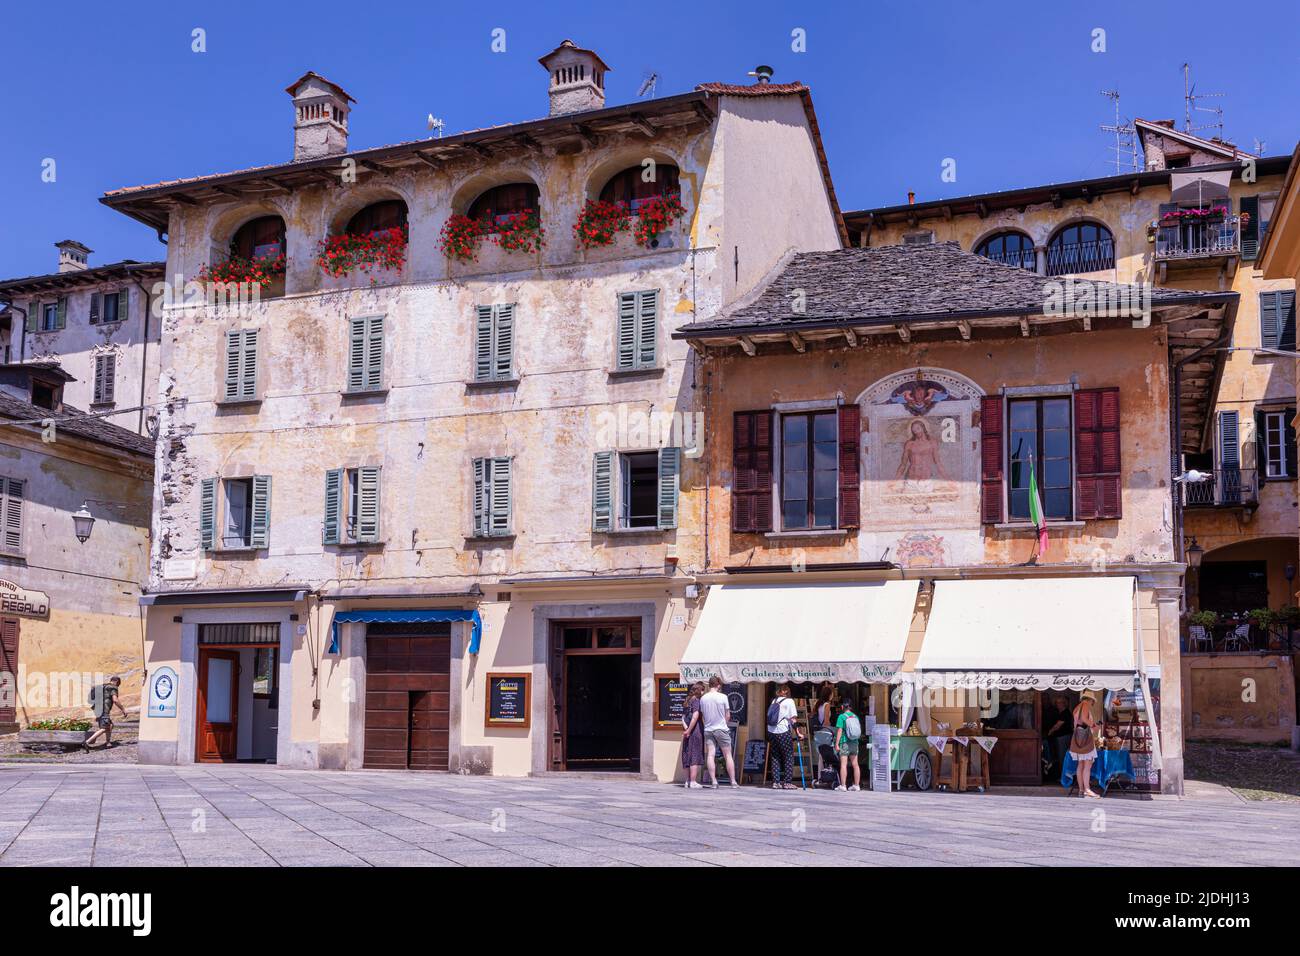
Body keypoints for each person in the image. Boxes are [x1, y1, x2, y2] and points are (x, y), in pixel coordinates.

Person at [700, 676, 739, 788]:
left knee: (711, 755)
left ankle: (714, 782)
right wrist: (724, 724)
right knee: (728, 755)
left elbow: (703, 716)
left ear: (709, 684)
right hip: (721, 729)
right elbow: (728, 715)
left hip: (708, 729)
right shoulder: (723, 697)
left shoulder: (703, 698)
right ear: (718, 685)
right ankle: (733, 782)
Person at [766, 683, 801, 790]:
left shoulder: (774, 701)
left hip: (771, 730)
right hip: (782, 731)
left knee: (775, 756)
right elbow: (793, 719)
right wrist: (798, 732)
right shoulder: (790, 701)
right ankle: (787, 782)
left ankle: (776, 782)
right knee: (788, 756)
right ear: (786, 691)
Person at [1069, 691, 1101, 798]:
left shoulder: (1077, 707)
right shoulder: (1085, 704)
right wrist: (1094, 725)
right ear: (1090, 699)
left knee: (1080, 764)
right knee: (1087, 764)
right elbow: (1084, 719)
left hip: (1078, 737)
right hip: (1086, 738)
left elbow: (1077, 721)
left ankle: (1081, 789)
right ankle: (1087, 789)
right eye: (1093, 701)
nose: (1092, 703)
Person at [85, 676, 127, 750]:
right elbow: (115, 700)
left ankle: (108, 743)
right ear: (116, 681)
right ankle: (87, 742)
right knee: (104, 728)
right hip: (104, 710)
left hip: (97, 709)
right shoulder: (113, 687)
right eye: (119, 684)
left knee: (110, 725)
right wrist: (123, 709)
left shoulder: (103, 686)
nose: (118, 686)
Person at [1042, 691, 1074, 781]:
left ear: (1063, 704)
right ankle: (1063, 776)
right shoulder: (1060, 713)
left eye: (1059, 703)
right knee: (1060, 757)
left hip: (1063, 738)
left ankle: (1064, 777)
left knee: (1063, 757)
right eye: (1056, 703)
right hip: (1060, 738)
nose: (1057, 705)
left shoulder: (1065, 713)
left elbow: (1057, 726)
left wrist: (1049, 732)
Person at [833, 699, 863, 791]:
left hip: (845, 742)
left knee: (843, 765)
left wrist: (836, 744)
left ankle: (843, 785)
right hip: (854, 742)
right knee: (855, 764)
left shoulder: (841, 717)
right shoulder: (855, 717)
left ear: (842, 707)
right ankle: (857, 785)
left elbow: (839, 731)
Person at [680, 682, 706, 789]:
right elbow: (695, 716)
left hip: (686, 730)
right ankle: (693, 781)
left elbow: (682, 717)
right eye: (703, 690)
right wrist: (690, 730)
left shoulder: (687, 700)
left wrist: (686, 729)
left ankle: (687, 781)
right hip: (695, 731)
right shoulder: (696, 701)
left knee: (687, 753)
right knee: (694, 754)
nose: (704, 692)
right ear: (699, 690)